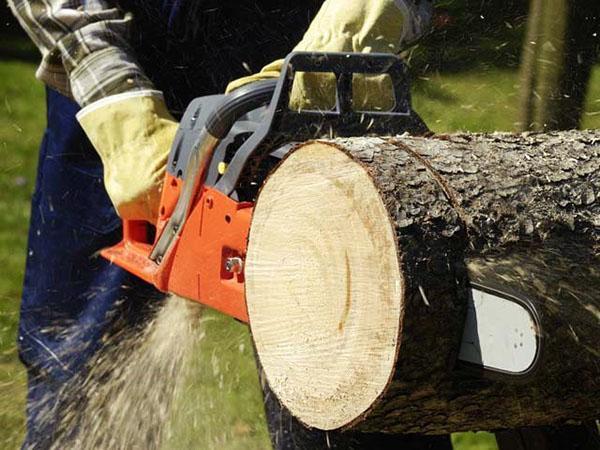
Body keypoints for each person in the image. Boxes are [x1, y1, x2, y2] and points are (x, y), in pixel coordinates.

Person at [7, 0, 452, 448]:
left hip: (313, 69)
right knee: (85, 377)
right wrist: (121, 118)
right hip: (118, 70)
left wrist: (345, 39)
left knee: (358, 375)